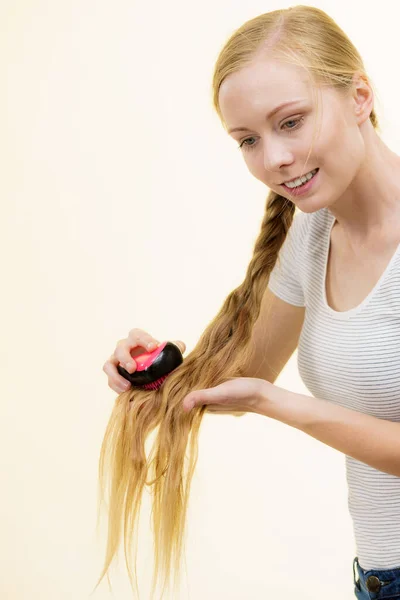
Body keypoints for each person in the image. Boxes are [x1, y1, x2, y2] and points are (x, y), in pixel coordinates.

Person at [100, 6, 400, 599]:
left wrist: (275, 403)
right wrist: (160, 370)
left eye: (290, 123)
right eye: (248, 141)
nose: (272, 161)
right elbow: (248, 374)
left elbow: (262, 391)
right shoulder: (312, 236)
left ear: (359, 96)